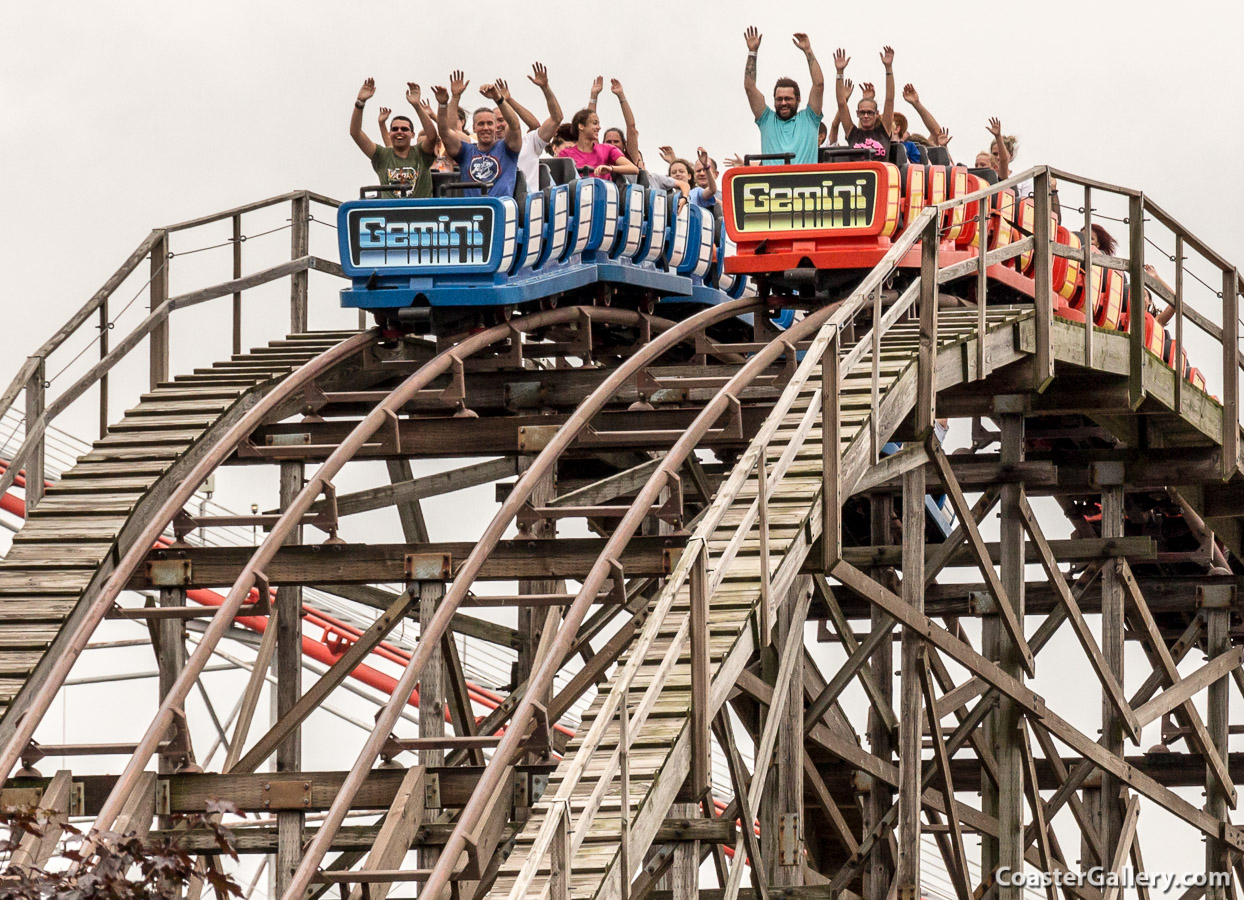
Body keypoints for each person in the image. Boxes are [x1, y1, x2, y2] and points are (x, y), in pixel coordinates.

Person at [743, 27, 825, 165]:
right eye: (779, 99)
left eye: (788, 98)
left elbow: (819, 84)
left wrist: (808, 51)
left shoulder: (809, 118)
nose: (783, 103)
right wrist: (752, 52)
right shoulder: (766, 120)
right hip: (774, 184)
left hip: (805, 184)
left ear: (798, 99)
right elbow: (750, 88)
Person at [436, 70, 524, 198]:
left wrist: (498, 98)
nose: (486, 128)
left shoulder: (507, 148)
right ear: (474, 128)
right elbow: (445, 133)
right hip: (473, 210)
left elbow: (515, 125)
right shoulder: (466, 151)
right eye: (481, 124)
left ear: (495, 126)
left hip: (502, 209)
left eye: (489, 123)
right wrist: (446, 102)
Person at [351, 78, 438, 197]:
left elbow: (432, 136)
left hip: (420, 213)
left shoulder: (421, 153)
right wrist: (360, 102)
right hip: (391, 213)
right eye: (395, 129)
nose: (399, 132)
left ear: (412, 134)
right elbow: (355, 133)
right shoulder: (382, 155)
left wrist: (417, 106)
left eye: (404, 129)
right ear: (390, 133)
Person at [489, 64, 563, 192]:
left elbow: (556, 118)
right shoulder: (481, 149)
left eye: (501, 120)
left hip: (528, 206)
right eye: (492, 122)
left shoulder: (529, 142)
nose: (497, 126)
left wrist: (545, 88)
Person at [834, 46, 895, 159]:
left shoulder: (883, 131)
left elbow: (889, 100)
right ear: (857, 114)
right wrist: (839, 72)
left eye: (869, 112)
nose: (866, 116)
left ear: (876, 114)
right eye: (862, 113)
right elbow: (841, 103)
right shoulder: (853, 133)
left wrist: (888, 68)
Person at [556, 107, 639, 180]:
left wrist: (610, 168)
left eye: (598, 124)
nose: (599, 127)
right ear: (581, 126)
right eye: (595, 123)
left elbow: (633, 169)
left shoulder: (607, 149)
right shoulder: (565, 154)